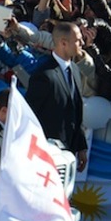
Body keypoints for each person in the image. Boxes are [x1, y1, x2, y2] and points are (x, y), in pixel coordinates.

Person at [26, 21, 88, 171]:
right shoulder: (44, 75)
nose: (82, 43)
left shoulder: (75, 70)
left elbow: (75, 111)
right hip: (45, 155)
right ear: (63, 43)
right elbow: (30, 115)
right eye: (78, 40)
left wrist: (81, 146)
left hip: (68, 153)